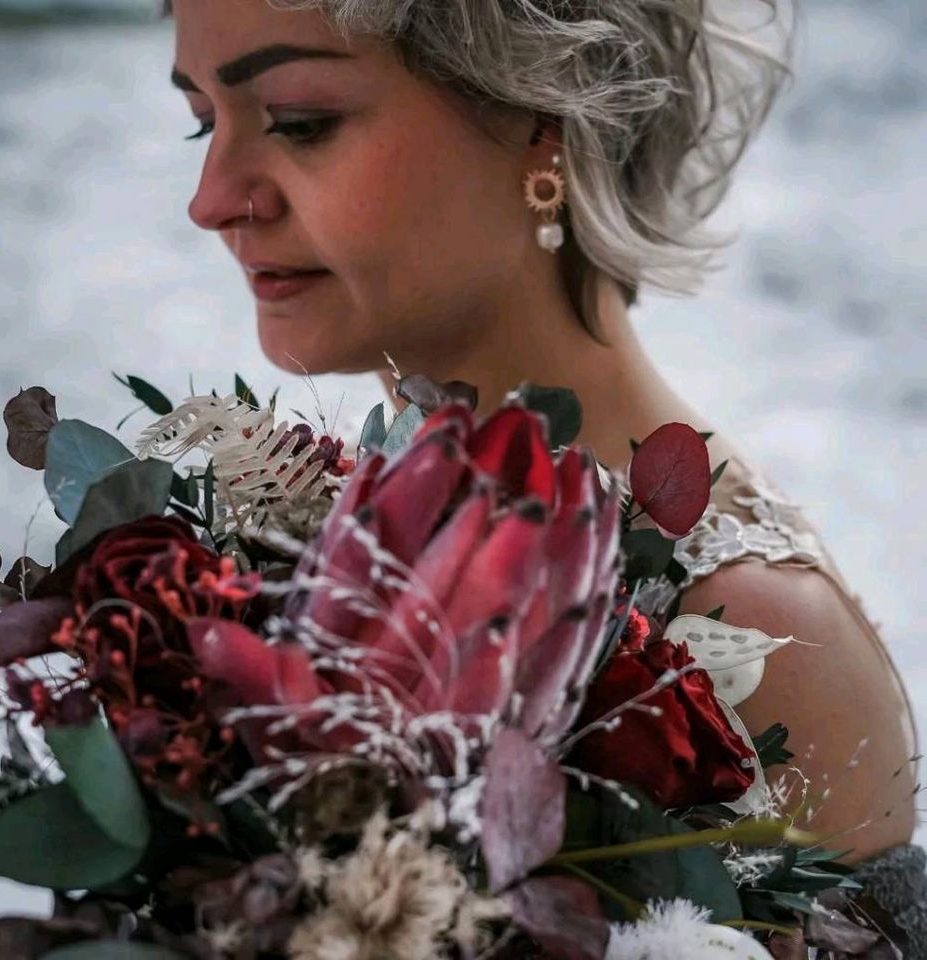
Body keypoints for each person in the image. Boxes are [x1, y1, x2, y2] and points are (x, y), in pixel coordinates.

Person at [167, 0, 923, 949]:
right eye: (201, 120)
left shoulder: (762, 642)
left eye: (300, 121)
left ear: (542, 120)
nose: (210, 197)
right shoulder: (276, 520)